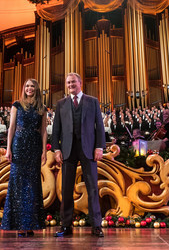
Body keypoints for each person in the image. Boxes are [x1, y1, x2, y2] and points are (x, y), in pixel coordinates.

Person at [52, 72, 105, 237]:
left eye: (73, 82)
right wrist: (56, 149)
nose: (70, 85)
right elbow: (56, 129)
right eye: (68, 83)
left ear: (80, 82)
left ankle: (96, 226)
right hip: (68, 150)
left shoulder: (93, 101)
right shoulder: (61, 104)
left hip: (88, 149)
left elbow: (99, 126)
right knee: (66, 189)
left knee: (92, 189)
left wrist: (99, 147)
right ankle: (66, 226)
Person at [1, 79, 47, 237]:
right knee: (19, 185)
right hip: (19, 145)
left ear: (36, 89)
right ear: (24, 88)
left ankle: (31, 224)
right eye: (27, 85)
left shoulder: (42, 107)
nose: (29, 88)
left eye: (32, 86)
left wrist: (44, 152)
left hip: (34, 147)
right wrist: (8, 149)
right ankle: (20, 225)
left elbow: (44, 131)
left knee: (32, 185)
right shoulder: (17, 105)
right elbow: (12, 127)